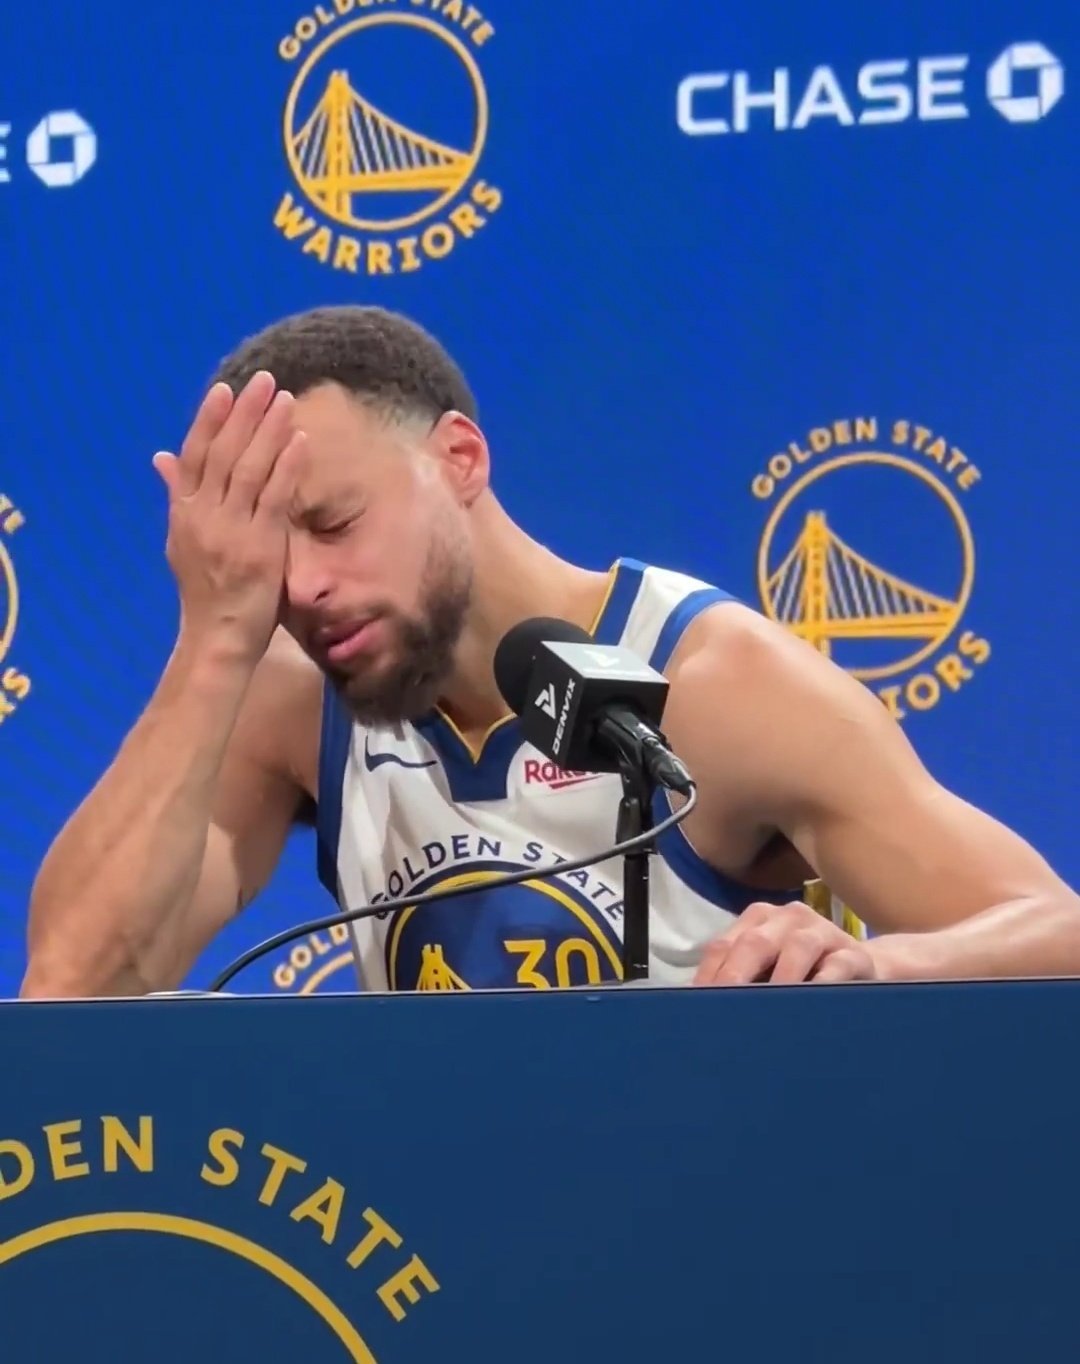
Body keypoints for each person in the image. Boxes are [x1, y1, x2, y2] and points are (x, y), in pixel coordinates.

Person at [21, 306, 1079, 998]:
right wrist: (216, 637)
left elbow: (1053, 932)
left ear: (460, 459)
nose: (303, 586)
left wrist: (880, 968)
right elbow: (73, 981)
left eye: (334, 524)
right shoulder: (296, 702)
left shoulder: (715, 685)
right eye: (270, 554)